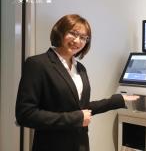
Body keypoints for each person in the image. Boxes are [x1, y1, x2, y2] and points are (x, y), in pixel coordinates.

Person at [15, 14, 138, 151]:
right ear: (60, 32)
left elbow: (81, 107)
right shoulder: (37, 64)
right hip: (51, 146)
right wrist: (76, 118)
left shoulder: (80, 68)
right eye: (73, 33)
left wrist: (118, 100)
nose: (78, 41)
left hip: (81, 144)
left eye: (83, 38)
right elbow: (25, 114)